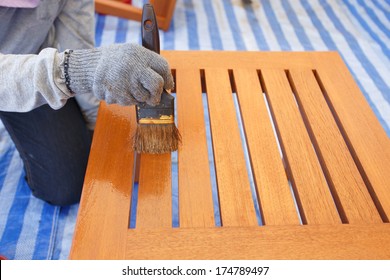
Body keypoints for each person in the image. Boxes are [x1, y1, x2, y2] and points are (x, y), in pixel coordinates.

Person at [0, 0, 174, 206]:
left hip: (38, 59)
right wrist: (71, 71)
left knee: (72, 181)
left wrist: (95, 118)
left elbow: (76, 36)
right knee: (61, 190)